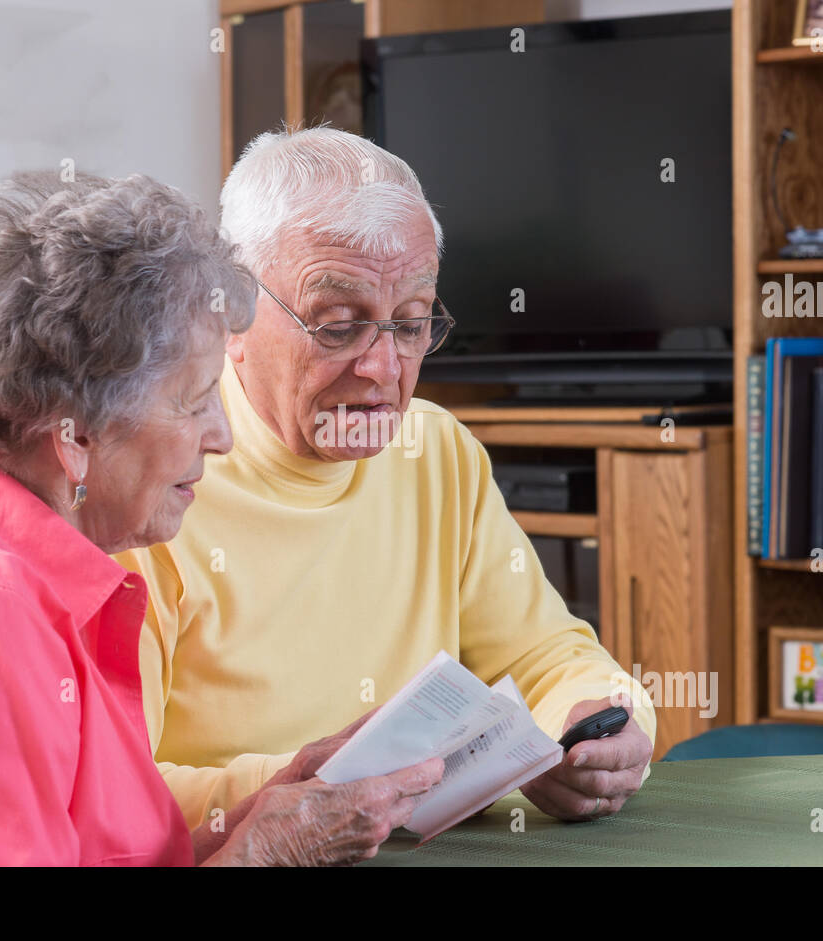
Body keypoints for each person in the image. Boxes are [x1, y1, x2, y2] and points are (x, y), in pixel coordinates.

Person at [0, 170, 442, 866]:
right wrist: (262, 858)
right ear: (76, 434)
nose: (221, 435)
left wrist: (258, 815)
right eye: (195, 399)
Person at [114, 128, 657, 831]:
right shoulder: (155, 479)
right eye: (338, 326)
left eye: (411, 323)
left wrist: (595, 722)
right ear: (232, 316)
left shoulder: (434, 450)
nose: (384, 368)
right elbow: (105, 791)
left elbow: (550, 655)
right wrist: (306, 788)